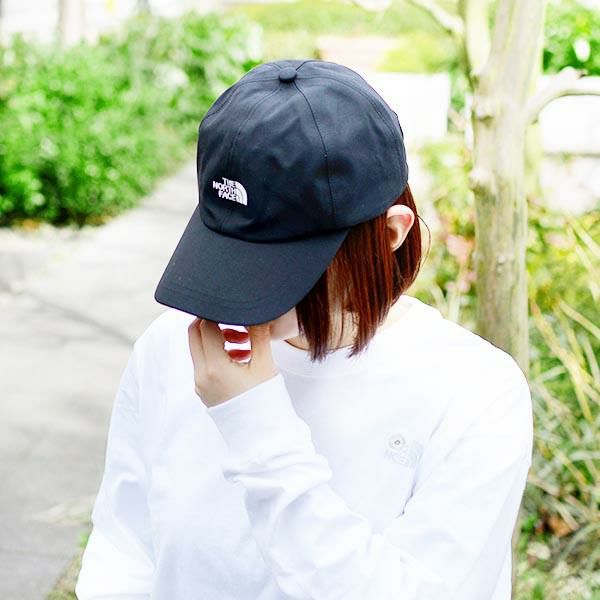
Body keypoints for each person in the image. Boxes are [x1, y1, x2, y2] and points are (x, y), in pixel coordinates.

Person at [75, 59, 533, 600]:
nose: (237, 289)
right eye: (228, 250)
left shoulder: (474, 392)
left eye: (280, 263)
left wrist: (255, 425)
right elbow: (125, 546)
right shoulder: (170, 346)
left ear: (391, 232)